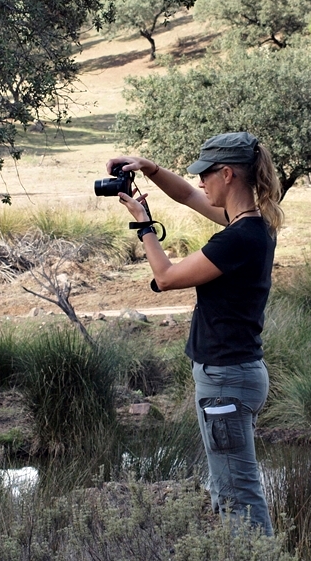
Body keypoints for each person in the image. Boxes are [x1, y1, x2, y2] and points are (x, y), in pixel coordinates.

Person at [107, 132, 283, 536]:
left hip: (226, 381)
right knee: (230, 490)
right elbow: (186, 195)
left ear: (227, 174)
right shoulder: (253, 226)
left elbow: (166, 278)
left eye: (206, 174)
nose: (201, 181)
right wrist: (149, 169)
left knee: (237, 493)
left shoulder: (238, 239)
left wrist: (144, 226)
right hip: (234, 376)